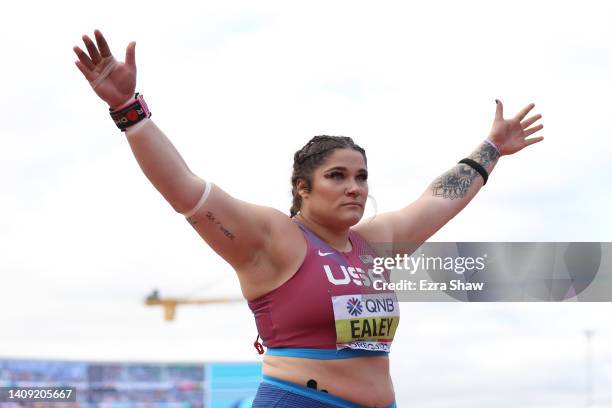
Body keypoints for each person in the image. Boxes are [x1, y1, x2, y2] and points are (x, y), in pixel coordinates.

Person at [73, 29, 544, 408]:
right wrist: (128, 109)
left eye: (361, 177)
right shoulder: (273, 238)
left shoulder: (373, 242)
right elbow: (185, 190)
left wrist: (492, 149)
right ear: (303, 187)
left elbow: (440, 198)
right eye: (337, 176)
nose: (354, 187)